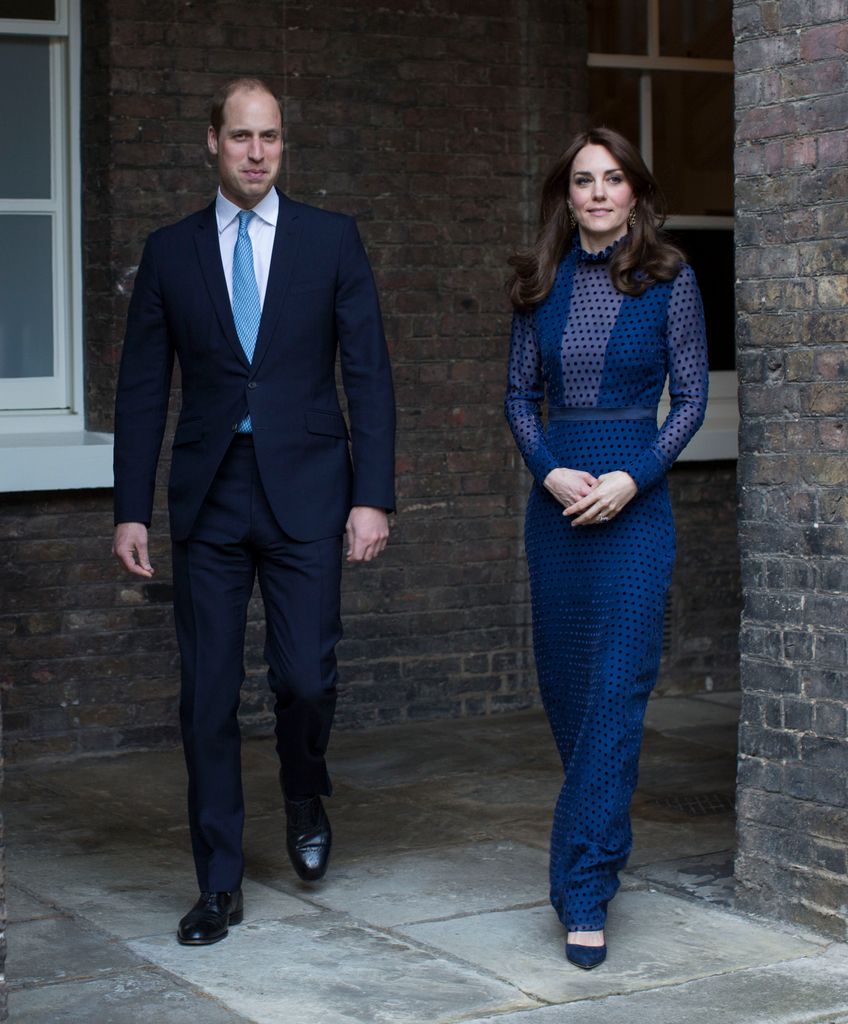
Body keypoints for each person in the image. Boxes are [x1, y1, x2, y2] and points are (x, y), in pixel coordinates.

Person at [112, 78, 395, 946]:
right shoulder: (171, 252)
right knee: (206, 698)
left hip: (309, 488)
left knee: (306, 678)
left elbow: (369, 377)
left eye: (270, 136)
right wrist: (130, 509)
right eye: (241, 137)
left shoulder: (331, 240)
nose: (257, 152)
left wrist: (371, 496)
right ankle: (219, 882)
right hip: (209, 496)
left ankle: (304, 787)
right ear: (211, 142)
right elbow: (141, 390)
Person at [504, 127, 708, 969]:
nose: (596, 193)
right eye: (583, 181)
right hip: (557, 516)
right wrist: (551, 473)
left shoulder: (669, 277)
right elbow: (519, 396)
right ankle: (599, 839)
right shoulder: (538, 283)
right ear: (567, 194)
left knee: (616, 697)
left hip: (634, 511)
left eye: (611, 179)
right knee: (568, 696)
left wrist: (632, 477)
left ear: (634, 192)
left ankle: (585, 888)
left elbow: (691, 400)